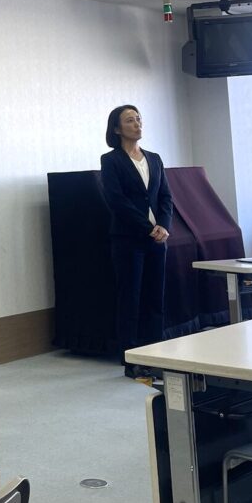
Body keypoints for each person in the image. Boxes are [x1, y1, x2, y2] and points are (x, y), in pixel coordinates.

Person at [100, 104, 173, 378]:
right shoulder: (111, 160)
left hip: (157, 239)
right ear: (117, 129)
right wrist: (148, 228)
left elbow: (165, 196)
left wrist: (163, 225)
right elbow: (116, 201)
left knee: (156, 298)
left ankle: (156, 355)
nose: (137, 124)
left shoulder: (154, 158)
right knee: (130, 299)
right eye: (130, 120)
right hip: (128, 239)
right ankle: (131, 359)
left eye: (139, 118)